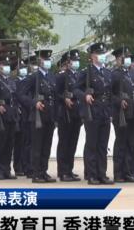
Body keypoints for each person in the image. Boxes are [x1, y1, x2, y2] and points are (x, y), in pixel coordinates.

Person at [74, 42, 115, 185]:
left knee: (103, 145)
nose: (102, 56)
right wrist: (85, 95)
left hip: (105, 112)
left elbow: (111, 92)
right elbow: (76, 89)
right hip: (92, 111)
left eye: (103, 53)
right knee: (92, 144)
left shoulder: (107, 72)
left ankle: (102, 174)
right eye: (99, 53)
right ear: (92, 56)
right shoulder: (86, 72)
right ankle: (92, 175)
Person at [17, 50, 60, 183]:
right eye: (44, 59)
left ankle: (43, 171)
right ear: (39, 61)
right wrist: (33, 103)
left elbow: (55, 96)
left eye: (48, 58)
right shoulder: (33, 77)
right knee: (37, 145)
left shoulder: (52, 76)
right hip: (37, 116)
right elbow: (21, 95)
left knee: (46, 146)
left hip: (50, 115)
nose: (47, 61)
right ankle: (36, 173)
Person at [111, 47, 134, 183]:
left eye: (128, 57)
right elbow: (110, 94)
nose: (127, 60)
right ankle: (119, 173)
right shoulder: (114, 74)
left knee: (130, 143)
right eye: (124, 57)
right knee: (121, 143)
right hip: (121, 113)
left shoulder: (133, 73)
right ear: (118, 60)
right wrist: (119, 101)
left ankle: (129, 171)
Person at [56, 50, 83, 182]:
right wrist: (63, 98)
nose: (76, 62)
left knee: (72, 143)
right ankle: (62, 171)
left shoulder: (78, 75)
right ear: (68, 62)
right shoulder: (62, 76)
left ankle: (69, 169)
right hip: (64, 113)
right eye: (74, 60)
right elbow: (56, 93)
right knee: (64, 143)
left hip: (76, 112)